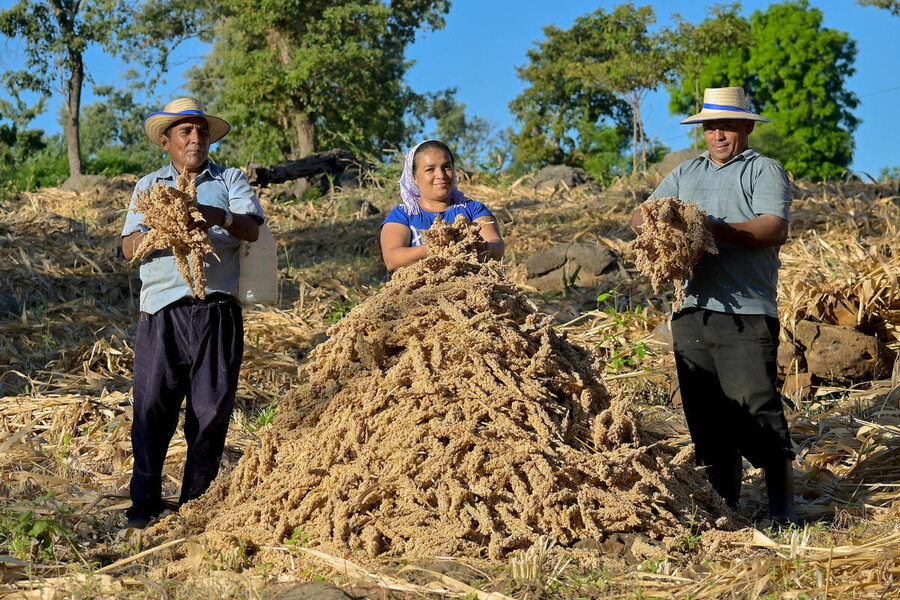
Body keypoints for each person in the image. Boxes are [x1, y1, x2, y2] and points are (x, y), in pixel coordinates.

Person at [631, 87, 797, 523]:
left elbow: (773, 228)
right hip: (692, 312)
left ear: (746, 126)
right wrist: (662, 222)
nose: (717, 134)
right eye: (710, 126)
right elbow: (640, 215)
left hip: (746, 310)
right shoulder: (686, 173)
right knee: (705, 416)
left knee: (754, 407)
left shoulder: (763, 170)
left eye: (726, 125)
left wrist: (708, 230)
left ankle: (782, 503)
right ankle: (724, 505)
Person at [120, 98, 263, 529]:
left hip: (217, 310)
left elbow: (252, 227)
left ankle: (194, 509)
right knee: (151, 409)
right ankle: (142, 508)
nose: (195, 139)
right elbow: (126, 246)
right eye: (185, 132)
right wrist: (160, 232)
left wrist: (211, 216)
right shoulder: (148, 187)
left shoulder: (230, 179)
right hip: (162, 311)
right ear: (166, 141)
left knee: (211, 411)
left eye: (201, 131)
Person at [380, 140, 504, 271]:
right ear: (414, 177)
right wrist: (441, 247)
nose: (441, 175)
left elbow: (497, 246)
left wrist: (474, 246)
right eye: (430, 169)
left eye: (446, 167)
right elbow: (392, 259)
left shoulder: (474, 209)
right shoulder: (403, 215)